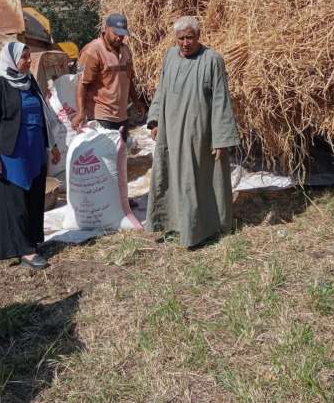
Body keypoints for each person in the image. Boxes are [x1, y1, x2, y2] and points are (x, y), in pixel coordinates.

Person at [146, 16, 240, 248]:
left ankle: (202, 228)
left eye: (190, 37)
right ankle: (172, 222)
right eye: (181, 38)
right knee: (169, 175)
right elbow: (162, 89)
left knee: (196, 179)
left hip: (199, 132)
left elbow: (220, 100)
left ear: (198, 36)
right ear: (175, 39)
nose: (185, 43)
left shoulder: (212, 60)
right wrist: (155, 119)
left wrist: (221, 138)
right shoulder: (169, 56)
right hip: (170, 130)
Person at [0, 41, 61, 270]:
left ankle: (33, 241)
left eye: (29, 57)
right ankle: (24, 250)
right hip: (13, 153)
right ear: (11, 60)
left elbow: (45, 116)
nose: (29, 61)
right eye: (24, 58)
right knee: (17, 201)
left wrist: (53, 145)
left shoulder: (30, 83)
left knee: (35, 198)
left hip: (35, 149)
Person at [71, 13, 144, 140]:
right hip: (101, 117)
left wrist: (136, 101)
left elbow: (128, 79)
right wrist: (81, 112)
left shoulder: (125, 50)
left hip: (122, 117)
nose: (120, 37)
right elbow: (82, 84)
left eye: (122, 34)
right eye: (116, 33)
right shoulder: (93, 51)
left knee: (120, 156)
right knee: (104, 158)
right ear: (106, 29)